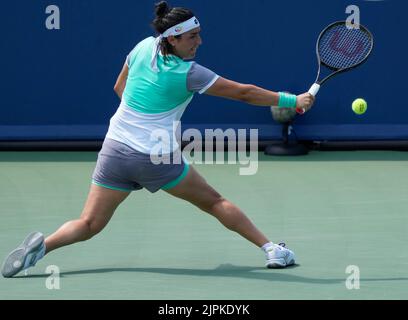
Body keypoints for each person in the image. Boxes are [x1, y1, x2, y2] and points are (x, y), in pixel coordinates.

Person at [1, 1, 314, 278]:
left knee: (89, 224)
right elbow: (244, 93)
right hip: (154, 158)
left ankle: (42, 247)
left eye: (199, 34)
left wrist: (142, 122)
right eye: (192, 37)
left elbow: (118, 88)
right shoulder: (190, 73)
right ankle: (272, 250)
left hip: (114, 150)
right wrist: (293, 100)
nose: (199, 42)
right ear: (173, 39)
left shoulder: (142, 47)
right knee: (215, 202)